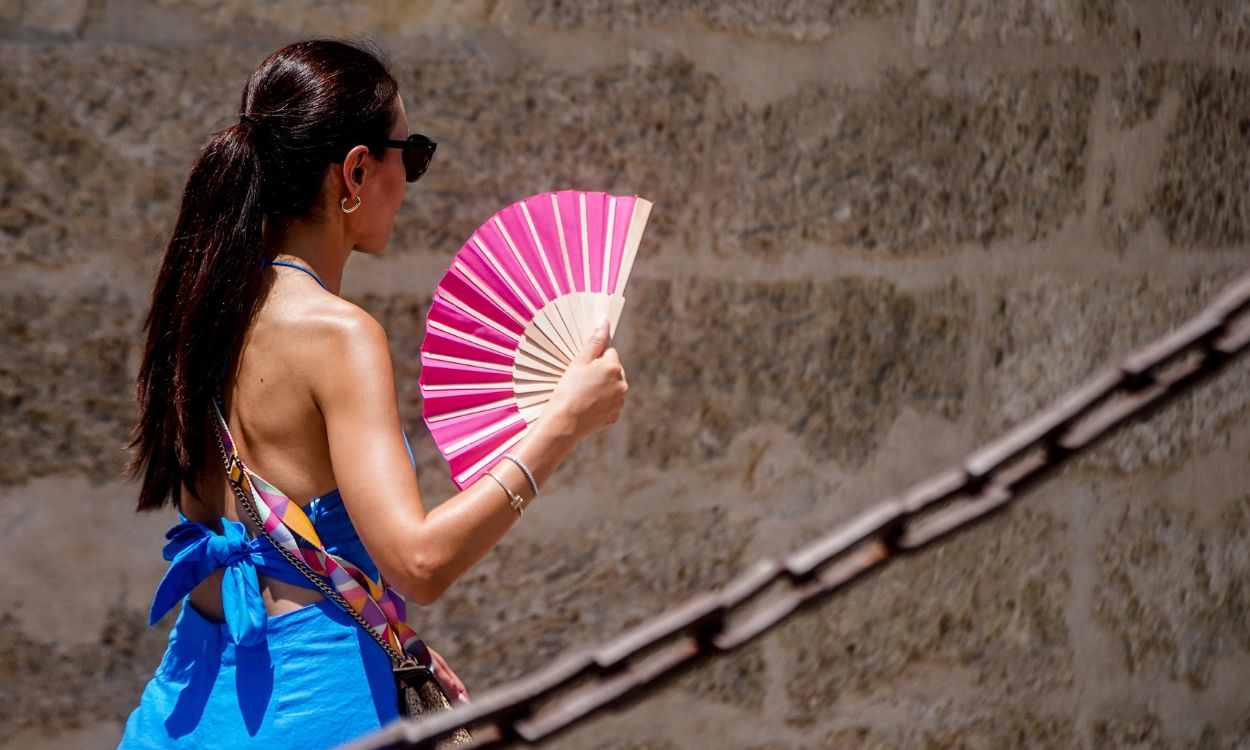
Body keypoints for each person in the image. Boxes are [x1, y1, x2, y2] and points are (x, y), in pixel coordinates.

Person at [119, 38, 628, 748]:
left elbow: (240, 524)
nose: (410, 179)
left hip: (190, 693)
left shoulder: (203, 305)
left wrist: (374, 622)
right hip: (313, 702)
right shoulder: (338, 333)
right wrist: (563, 425)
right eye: (410, 156)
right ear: (356, 171)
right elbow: (420, 563)